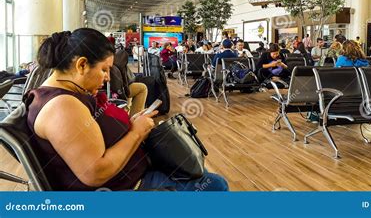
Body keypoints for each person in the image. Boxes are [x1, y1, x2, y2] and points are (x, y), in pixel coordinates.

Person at [25, 28, 228, 191]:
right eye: (104, 70)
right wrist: (136, 132)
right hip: (132, 186)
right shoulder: (62, 107)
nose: (107, 77)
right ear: (81, 65)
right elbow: (95, 172)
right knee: (216, 185)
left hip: (136, 175)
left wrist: (131, 125)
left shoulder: (68, 95)